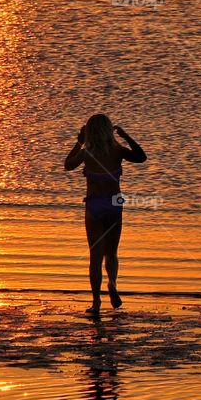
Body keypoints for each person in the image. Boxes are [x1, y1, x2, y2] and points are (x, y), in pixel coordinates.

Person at [64, 113, 147, 316]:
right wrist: (125, 136)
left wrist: (79, 142)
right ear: (109, 131)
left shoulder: (86, 153)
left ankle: (96, 302)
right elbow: (141, 157)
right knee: (112, 253)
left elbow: (68, 165)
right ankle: (112, 283)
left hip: (94, 206)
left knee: (95, 257)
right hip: (114, 205)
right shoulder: (117, 151)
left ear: (90, 133)